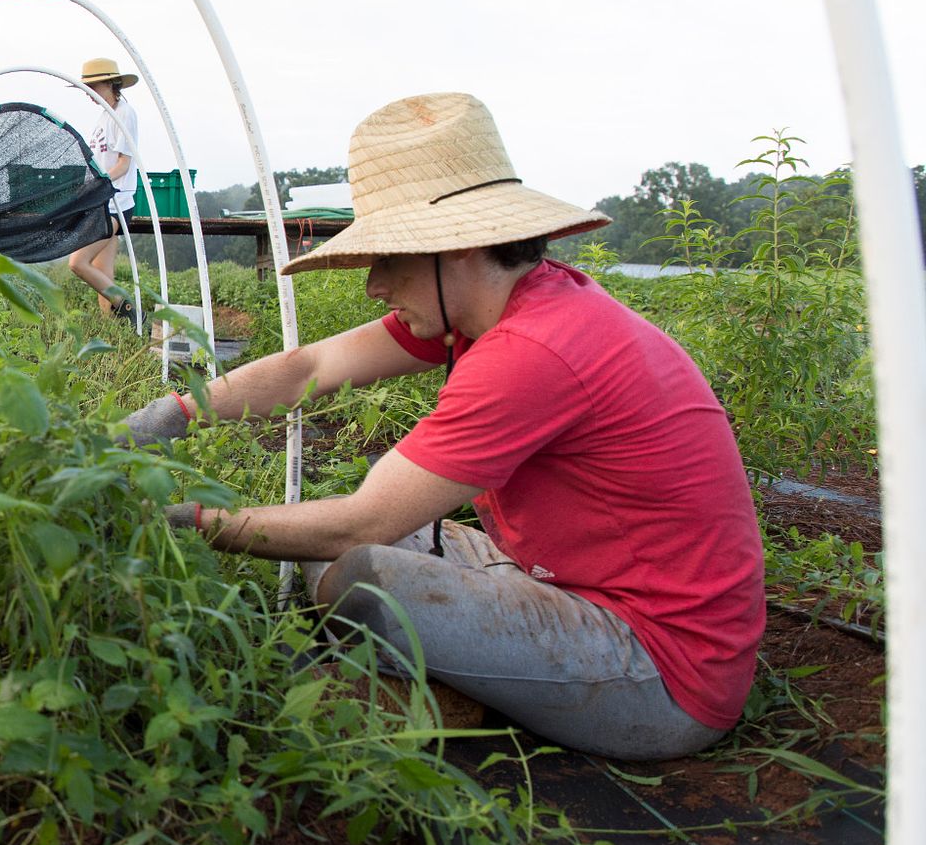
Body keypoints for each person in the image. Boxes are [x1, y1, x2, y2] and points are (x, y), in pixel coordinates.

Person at [123, 92, 763, 761]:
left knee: (360, 569)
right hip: (555, 581)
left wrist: (185, 518)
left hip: (660, 669)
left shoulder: (532, 351)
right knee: (315, 537)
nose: (373, 283)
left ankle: (453, 694)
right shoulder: (500, 308)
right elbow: (310, 365)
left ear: (455, 248)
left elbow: (360, 524)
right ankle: (472, 678)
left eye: (390, 256)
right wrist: (176, 411)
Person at [65, 58, 141, 321]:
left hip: (116, 202)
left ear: (110, 83)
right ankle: (114, 329)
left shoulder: (124, 114)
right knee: (102, 273)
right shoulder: (104, 116)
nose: (90, 94)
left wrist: (98, 185)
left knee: (78, 263)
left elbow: (123, 164)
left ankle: (128, 307)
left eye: (93, 87)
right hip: (103, 202)